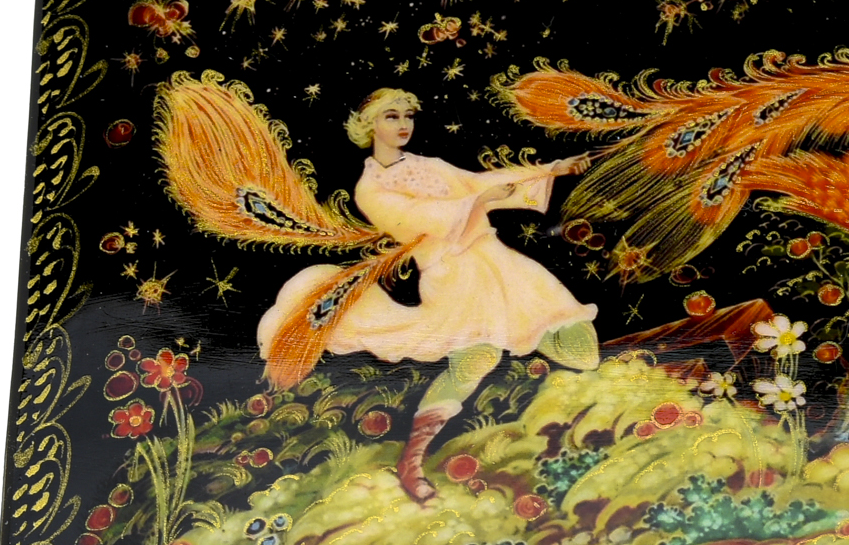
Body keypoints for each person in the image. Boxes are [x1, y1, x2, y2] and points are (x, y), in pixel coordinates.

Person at [256, 88, 599, 503]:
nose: (403, 124)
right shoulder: (370, 189)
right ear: (368, 125)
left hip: (495, 259)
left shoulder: (428, 164)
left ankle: (591, 411)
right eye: (391, 116)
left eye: (408, 116)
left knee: (579, 343)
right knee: (477, 360)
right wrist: (477, 200)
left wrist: (552, 170)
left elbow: (480, 182)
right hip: (453, 273)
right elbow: (421, 220)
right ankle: (412, 461)